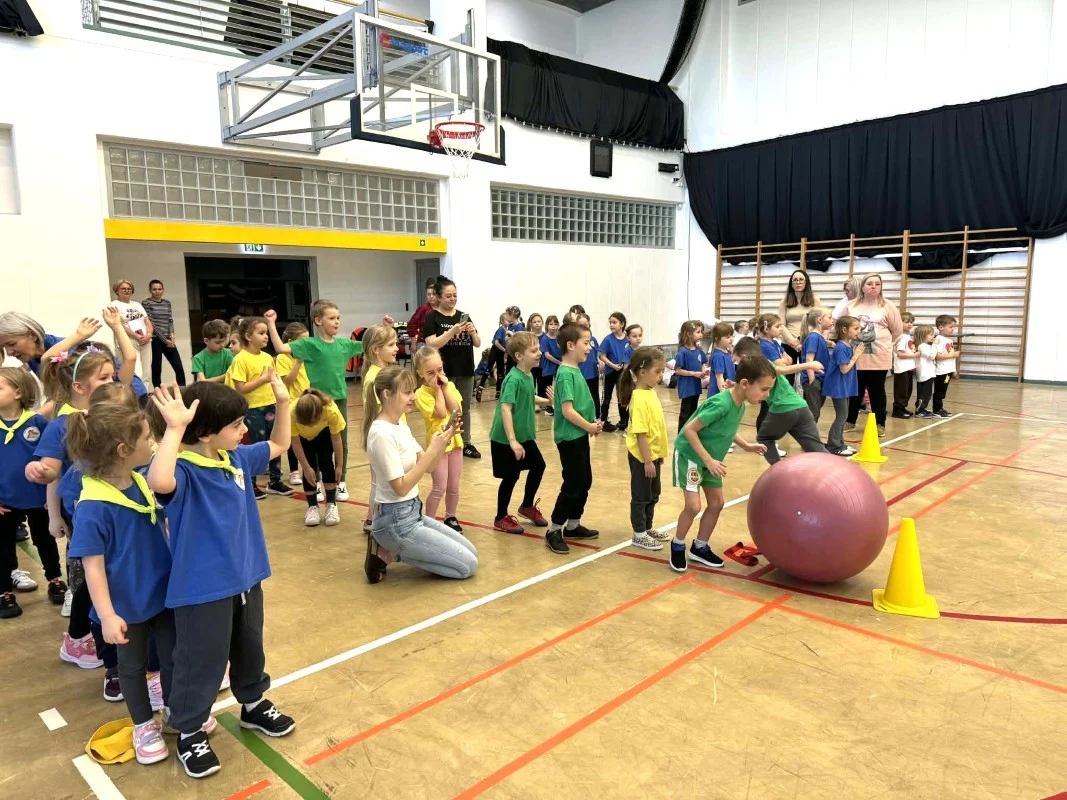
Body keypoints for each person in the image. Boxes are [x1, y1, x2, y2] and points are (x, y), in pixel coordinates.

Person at [148, 379, 295, 778]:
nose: (244, 430)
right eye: (237, 424)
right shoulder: (183, 469)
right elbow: (157, 482)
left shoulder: (237, 459)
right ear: (208, 432)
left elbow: (280, 444)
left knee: (250, 648)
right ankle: (190, 729)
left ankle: (253, 703)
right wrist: (175, 429)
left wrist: (283, 402)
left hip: (247, 577)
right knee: (201, 662)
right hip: (202, 589)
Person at [65, 395, 175, 765]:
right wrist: (108, 615)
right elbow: (92, 568)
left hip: (161, 592)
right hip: (125, 604)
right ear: (125, 449)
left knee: (172, 656)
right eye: (147, 438)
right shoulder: (94, 505)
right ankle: (143, 724)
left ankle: (175, 709)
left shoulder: (139, 481)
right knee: (132, 666)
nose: (152, 444)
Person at [362, 366, 477, 584]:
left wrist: (442, 442)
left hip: (412, 512)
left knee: (470, 551)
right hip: (395, 521)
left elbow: (430, 467)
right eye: (407, 392)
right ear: (387, 395)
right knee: (466, 567)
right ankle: (388, 552)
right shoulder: (381, 434)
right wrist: (432, 451)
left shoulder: (400, 426)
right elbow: (401, 487)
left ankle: (389, 549)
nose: (413, 397)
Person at [265, 302, 388, 503]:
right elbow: (280, 347)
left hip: (338, 401)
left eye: (338, 317)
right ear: (318, 320)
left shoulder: (344, 344)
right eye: (332, 318)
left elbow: (373, 347)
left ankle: (341, 482)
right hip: (315, 402)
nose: (337, 321)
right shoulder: (308, 345)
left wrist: (386, 328)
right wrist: (271, 323)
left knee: (342, 443)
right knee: (316, 445)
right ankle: (317, 483)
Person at [670, 357, 774, 572]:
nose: (766, 394)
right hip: (692, 456)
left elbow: (727, 428)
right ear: (745, 384)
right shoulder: (721, 403)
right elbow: (689, 430)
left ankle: (700, 547)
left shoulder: (740, 405)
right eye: (764, 389)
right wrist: (708, 460)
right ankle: (677, 544)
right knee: (693, 506)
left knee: (716, 503)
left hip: (711, 460)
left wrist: (746, 445)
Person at [0, 367, 64, 618]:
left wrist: (52, 497)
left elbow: (52, 460)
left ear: (18, 392)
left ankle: (55, 579)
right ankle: (4, 591)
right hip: (4, 501)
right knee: (3, 547)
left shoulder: (37, 423)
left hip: (38, 499)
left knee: (45, 540)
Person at [547, 322, 603, 555]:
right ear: (571, 345)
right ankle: (554, 530)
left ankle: (573, 524)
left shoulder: (574, 370)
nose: (589, 347)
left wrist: (591, 424)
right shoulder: (566, 374)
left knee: (584, 480)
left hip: (579, 435)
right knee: (573, 482)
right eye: (586, 343)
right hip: (570, 438)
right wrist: (590, 426)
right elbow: (568, 411)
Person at [489, 332, 551, 535]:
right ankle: (500, 517)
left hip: (524, 437)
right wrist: (513, 441)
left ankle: (526, 506)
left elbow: (529, 397)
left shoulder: (527, 375)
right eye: (534, 350)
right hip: (506, 439)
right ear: (519, 356)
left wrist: (551, 402)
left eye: (539, 349)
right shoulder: (512, 379)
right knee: (511, 476)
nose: (539, 353)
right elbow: (506, 408)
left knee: (539, 466)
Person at [734, 338, 827, 465]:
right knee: (815, 447)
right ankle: (832, 470)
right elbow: (750, 385)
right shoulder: (760, 368)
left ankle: (777, 469)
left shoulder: (764, 365)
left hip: (783, 408)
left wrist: (809, 365)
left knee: (764, 438)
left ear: (744, 357)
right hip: (801, 407)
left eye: (737, 361)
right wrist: (734, 385)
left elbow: (783, 370)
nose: (738, 364)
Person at [230, 317, 291, 499]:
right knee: (257, 446)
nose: (266, 337)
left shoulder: (267, 357)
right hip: (253, 409)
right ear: (248, 336)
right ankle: (252, 483)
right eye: (261, 333)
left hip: (270, 405)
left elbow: (275, 380)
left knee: (274, 442)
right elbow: (240, 388)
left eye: (266, 333)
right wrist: (263, 379)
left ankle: (275, 480)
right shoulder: (240, 359)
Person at [617, 347, 672, 552]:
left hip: (653, 455)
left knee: (653, 493)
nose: (661, 376)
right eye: (657, 372)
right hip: (642, 457)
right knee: (641, 496)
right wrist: (648, 460)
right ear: (642, 372)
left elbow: (656, 427)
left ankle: (648, 527)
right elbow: (640, 433)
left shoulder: (650, 393)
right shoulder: (639, 397)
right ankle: (639, 534)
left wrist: (658, 455)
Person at [423, 278, 481, 459]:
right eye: (448, 296)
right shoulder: (432, 317)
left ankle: (466, 442)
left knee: (465, 407)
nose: (452, 299)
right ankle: (445, 441)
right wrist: (451, 332)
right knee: (445, 408)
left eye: (455, 295)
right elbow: (431, 344)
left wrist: (472, 332)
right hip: (444, 371)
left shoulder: (463, 315)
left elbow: (478, 343)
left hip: (465, 368)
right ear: (439, 297)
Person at [845, 273, 904, 436]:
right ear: (863, 287)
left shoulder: (888, 306)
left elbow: (897, 330)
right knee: (855, 390)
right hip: (856, 357)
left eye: (877, 284)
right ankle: (850, 420)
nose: (873, 286)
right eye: (870, 283)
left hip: (879, 357)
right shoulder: (851, 306)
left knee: (877, 390)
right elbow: (842, 326)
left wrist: (888, 346)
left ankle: (880, 424)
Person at [413, 346, 465, 532]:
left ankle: (451, 516)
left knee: (453, 485)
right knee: (439, 487)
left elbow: (456, 410)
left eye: (440, 370)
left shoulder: (449, 386)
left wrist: (445, 388)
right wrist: (437, 391)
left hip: (456, 442)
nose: (438, 375)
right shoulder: (421, 393)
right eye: (430, 373)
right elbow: (441, 412)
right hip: (438, 446)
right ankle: (429, 521)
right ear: (420, 373)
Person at [360, 325, 402, 533]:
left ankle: (372, 519)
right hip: (383, 438)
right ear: (376, 349)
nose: (397, 348)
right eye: (391, 345)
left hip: (390, 435)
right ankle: (374, 521)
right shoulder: (375, 378)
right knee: (380, 483)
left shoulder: (382, 372)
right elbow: (380, 412)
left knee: (380, 481)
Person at [290, 388, 344, 527]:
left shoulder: (331, 410)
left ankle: (331, 504)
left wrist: (339, 465)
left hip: (324, 433)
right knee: (309, 468)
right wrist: (306, 467)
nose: (312, 425)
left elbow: (337, 440)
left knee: (326, 463)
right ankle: (312, 506)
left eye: (314, 422)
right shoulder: (291, 413)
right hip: (303, 438)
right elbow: (294, 442)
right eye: (307, 423)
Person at [275, 322, 310, 486]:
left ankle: (309, 469)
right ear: (290, 341)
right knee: (293, 438)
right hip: (291, 402)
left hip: (306, 400)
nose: (306, 344)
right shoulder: (282, 358)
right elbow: (288, 380)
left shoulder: (309, 355)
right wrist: (297, 362)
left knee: (307, 437)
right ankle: (294, 471)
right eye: (302, 341)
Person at [823, 316, 863, 456]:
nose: (859, 331)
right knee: (842, 416)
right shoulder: (841, 347)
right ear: (845, 330)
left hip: (844, 386)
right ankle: (833, 445)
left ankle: (839, 443)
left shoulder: (848, 345)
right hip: (837, 386)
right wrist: (855, 356)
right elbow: (844, 369)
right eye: (856, 328)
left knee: (843, 415)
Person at [142, 279, 186, 388]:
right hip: (155, 339)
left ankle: (183, 390)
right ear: (150, 290)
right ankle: (158, 392)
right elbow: (151, 323)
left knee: (178, 367)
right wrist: (164, 339)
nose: (157, 291)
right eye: (154, 289)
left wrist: (172, 336)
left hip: (168, 338)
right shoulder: (146, 303)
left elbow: (170, 320)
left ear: (163, 290)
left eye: (159, 289)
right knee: (157, 368)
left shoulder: (167, 303)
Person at [776, 270, 821, 370]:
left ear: (806, 282)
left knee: (807, 373)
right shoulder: (784, 302)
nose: (798, 282)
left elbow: (817, 322)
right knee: (788, 376)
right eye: (795, 280)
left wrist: (802, 340)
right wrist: (792, 341)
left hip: (808, 342)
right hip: (788, 343)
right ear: (791, 284)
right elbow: (781, 324)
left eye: (801, 279)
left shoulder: (815, 300)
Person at [111, 279, 153, 381]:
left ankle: (145, 394)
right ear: (117, 291)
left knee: (146, 372)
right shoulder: (114, 305)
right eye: (123, 289)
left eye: (129, 289)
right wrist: (136, 336)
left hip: (145, 340)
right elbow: (120, 324)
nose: (127, 291)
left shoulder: (137, 305)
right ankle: (134, 394)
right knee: (136, 371)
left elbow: (147, 322)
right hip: (129, 340)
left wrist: (149, 334)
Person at [598, 311, 631, 432]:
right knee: (607, 396)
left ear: (622, 324)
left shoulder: (628, 339)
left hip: (624, 371)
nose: (611, 325)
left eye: (614, 322)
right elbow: (602, 356)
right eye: (610, 323)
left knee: (622, 396)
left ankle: (624, 421)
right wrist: (612, 365)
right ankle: (604, 420)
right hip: (611, 371)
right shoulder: (608, 339)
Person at [800, 307, 832, 422]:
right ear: (820, 320)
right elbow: (809, 359)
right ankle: (810, 438)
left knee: (813, 411)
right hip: (814, 380)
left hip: (820, 379)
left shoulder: (819, 337)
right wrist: (812, 380)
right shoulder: (813, 337)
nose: (832, 320)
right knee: (813, 414)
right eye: (829, 318)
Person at [674, 320, 707, 432]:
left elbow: (703, 363)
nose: (701, 334)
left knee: (693, 411)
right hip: (687, 387)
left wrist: (703, 371)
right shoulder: (682, 352)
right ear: (688, 334)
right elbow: (677, 370)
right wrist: (694, 374)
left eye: (701, 332)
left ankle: (691, 432)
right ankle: (681, 434)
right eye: (698, 332)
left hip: (695, 386)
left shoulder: (699, 350)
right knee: (686, 412)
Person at [891, 312, 918, 419]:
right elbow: (900, 354)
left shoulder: (908, 336)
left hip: (908, 368)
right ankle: (897, 409)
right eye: (906, 322)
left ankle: (903, 408)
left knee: (908, 389)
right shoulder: (901, 337)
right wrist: (915, 355)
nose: (909, 324)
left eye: (911, 322)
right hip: (902, 368)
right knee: (901, 390)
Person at [191, 320, 233, 384]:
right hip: (208, 392)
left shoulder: (229, 353)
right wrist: (225, 377)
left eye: (224, 341)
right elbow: (202, 383)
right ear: (206, 341)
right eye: (218, 342)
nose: (222, 345)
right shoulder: (198, 358)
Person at [933, 314, 959, 417]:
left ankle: (940, 408)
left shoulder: (949, 340)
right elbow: (938, 356)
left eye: (953, 327)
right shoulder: (938, 340)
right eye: (951, 327)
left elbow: (951, 357)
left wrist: (954, 369)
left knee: (943, 391)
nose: (953, 329)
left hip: (948, 370)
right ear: (941, 327)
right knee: (939, 391)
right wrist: (953, 355)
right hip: (941, 370)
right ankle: (936, 409)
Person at [575, 314, 601, 415]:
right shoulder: (575, 340)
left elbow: (597, 354)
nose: (584, 327)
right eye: (581, 325)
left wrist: (600, 361)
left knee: (594, 396)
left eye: (586, 324)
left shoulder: (593, 339)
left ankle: (597, 416)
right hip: (581, 374)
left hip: (593, 374)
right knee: (581, 397)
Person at [913, 324, 938, 418]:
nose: (933, 336)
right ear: (923, 335)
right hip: (924, 374)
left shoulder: (927, 346)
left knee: (927, 394)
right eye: (931, 334)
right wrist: (935, 345)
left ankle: (923, 409)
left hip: (929, 373)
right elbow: (931, 356)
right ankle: (919, 410)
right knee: (923, 394)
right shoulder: (922, 346)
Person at [538, 316, 561, 415]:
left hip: (559, 364)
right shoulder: (544, 339)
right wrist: (559, 362)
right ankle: (548, 407)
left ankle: (559, 405)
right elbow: (547, 355)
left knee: (559, 384)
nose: (553, 326)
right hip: (549, 365)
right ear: (547, 325)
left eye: (555, 324)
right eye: (551, 324)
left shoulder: (559, 338)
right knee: (548, 386)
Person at [406, 277, 438, 350]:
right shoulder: (423, 309)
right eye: (428, 294)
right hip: (424, 343)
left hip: (438, 342)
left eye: (433, 294)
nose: (431, 296)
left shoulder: (442, 308)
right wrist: (413, 343)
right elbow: (411, 325)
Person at [707, 323, 735, 398]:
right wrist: (723, 393)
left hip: (728, 390)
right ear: (717, 338)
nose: (731, 339)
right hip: (718, 393)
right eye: (728, 337)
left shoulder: (727, 352)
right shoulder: (718, 356)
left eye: (732, 336)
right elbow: (719, 377)